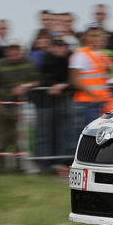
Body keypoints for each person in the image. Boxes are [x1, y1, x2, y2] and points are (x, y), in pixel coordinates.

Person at [0, 42, 40, 172]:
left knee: (19, 140)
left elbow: (37, 80)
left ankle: (19, 169)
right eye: (11, 49)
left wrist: (25, 86)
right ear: (6, 51)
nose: (14, 52)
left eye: (17, 49)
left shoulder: (28, 63)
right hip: (1, 106)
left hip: (19, 107)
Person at [70, 27, 113, 135]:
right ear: (86, 38)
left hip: (99, 103)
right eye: (93, 35)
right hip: (86, 103)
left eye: (100, 35)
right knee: (87, 136)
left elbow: (105, 78)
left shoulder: (102, 55)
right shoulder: (80, 55)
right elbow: (74, 80)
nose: (97, 38)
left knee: (97, 136)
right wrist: (93, 95)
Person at [34, 38, 74, 173]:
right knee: (45, 134)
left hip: (61, 102)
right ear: (51, 47)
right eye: (56, 46)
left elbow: (73, 79)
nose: (59, 49)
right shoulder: (45, 60)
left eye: (62, 46)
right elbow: (41, 79)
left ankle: (61, 162)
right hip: (44, 102)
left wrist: (63, 85)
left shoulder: (70, 60)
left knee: (63, 132)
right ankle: (44, 164)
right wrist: (55, 85)